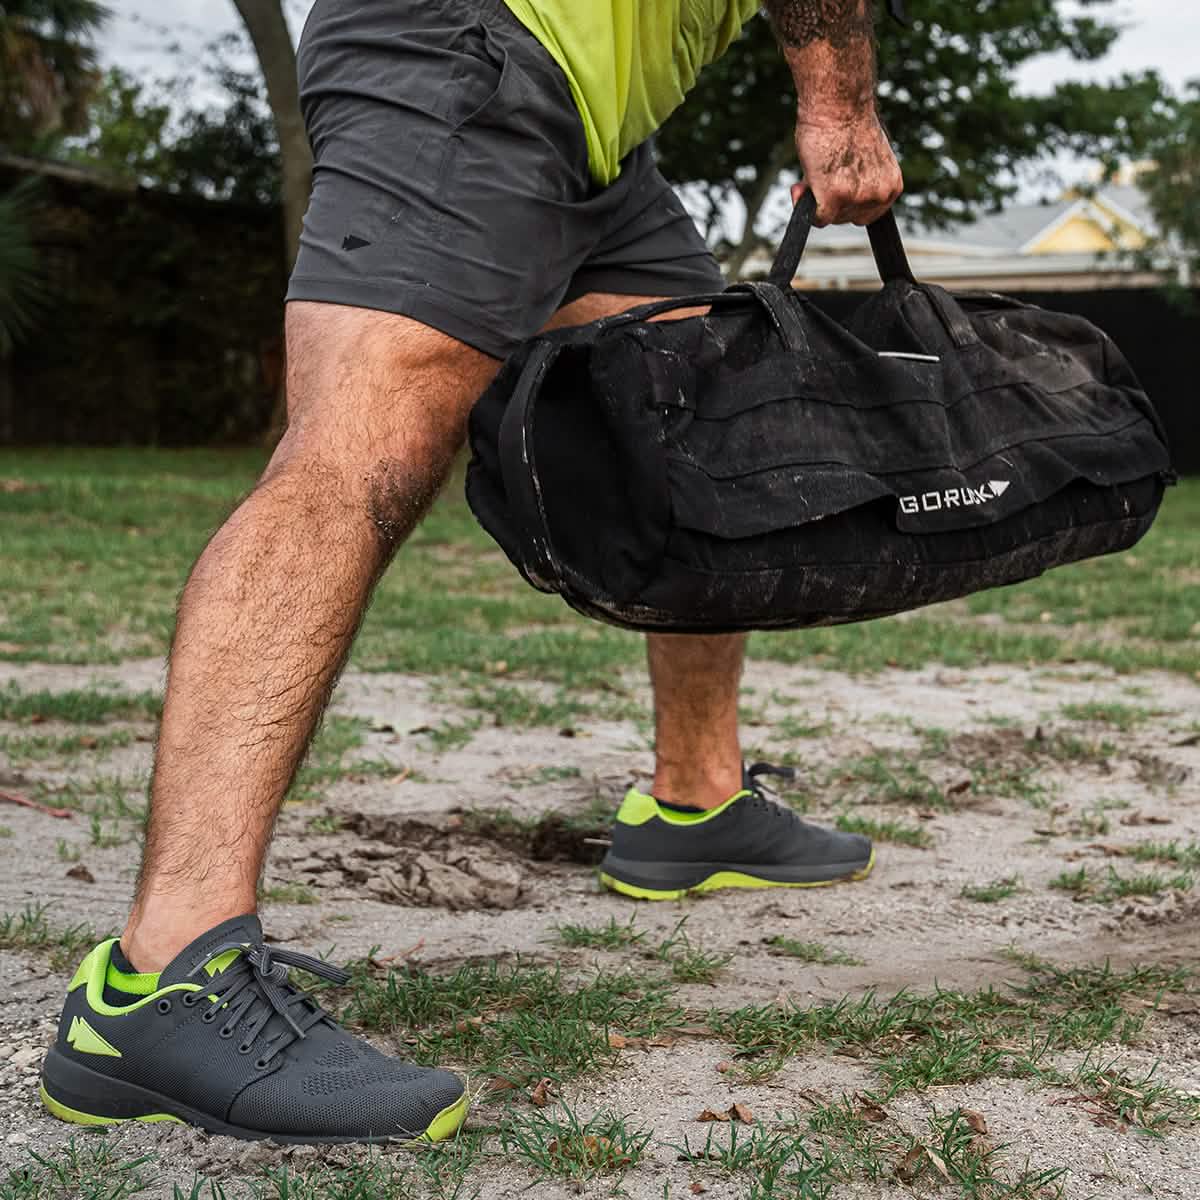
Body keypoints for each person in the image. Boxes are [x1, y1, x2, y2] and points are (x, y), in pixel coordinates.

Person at [40, 0, 903, 1144]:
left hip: (595, 134)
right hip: (469, 43)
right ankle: (161, 976)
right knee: (365, 451)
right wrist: (837, 97)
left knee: (698, 420)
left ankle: (696, 804)